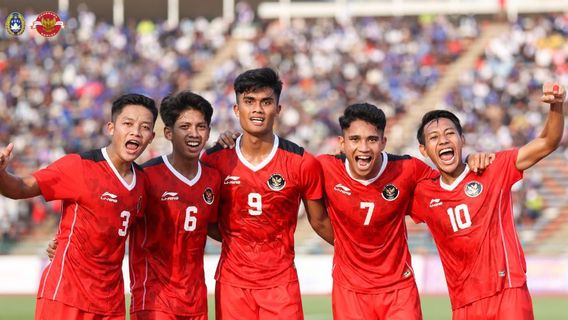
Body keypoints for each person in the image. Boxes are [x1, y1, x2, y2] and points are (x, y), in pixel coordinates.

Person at [217, 102, 492, 320]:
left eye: (372, 140)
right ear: (342, 142)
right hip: (350, 292)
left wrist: (471, 160)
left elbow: (449, 181)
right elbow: (314, 212)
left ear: (383, 142)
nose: (363, 148)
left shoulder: (407, 169)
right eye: (355, 139)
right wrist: (234, 140)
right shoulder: (323, 167)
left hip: (398, 289)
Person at [410, 83, 565, 319]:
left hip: (508, 293)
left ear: (462, 139)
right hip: (463, 304)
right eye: (434, 137)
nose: (443, 140)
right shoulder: (422, 194)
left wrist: (556, 105)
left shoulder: (492, 168)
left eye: (450, 133)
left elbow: (547, 142)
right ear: (423, 150)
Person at [0, 93, 158, 319]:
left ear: (151, 137)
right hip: (66, 295)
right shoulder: (79, 166)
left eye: (144, 127)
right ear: (111, 128)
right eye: (128, 123)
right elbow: (20, 188)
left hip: (110, 303)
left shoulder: (144, 183)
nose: (136, 131)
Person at [201, 67, 333, 320]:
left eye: (266, 102)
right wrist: (239, 240)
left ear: (278, 109)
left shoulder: (301, 162)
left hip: (281, 285)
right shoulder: (214, 159)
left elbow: (319, 221)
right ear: (237, 110)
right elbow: (208, 221)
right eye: (249, 102)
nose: (258, 110)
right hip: (232, 285)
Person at [129, 91, 222, 319]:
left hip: (195, 300)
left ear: (209, 132)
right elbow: (115, 218)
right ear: (168, 133)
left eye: (201, 127)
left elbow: (214, 227)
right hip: (153, 299)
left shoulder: (213, 178)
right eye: (185, 126)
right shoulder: (146, 176)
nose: (194, 134)